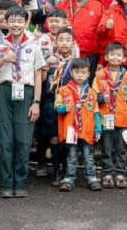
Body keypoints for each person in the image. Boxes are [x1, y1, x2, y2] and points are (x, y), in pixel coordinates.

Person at [0, 6, 45, 198]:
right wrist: (3, 60)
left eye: (20, 21)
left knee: (24, 140)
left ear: (26, 23)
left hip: (25, 93)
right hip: (4, 91)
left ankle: (21, 182)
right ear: (5, 23)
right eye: (12, 21)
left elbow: (38, 76)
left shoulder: (33, 48)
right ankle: (6, 183)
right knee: (5, 139)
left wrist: (36, 102)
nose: (16, 25)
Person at [93, 42, 127, 189]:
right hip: (105, 118)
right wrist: (100, 98)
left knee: (120, 148)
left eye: (119, 55)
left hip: (122, 118)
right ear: (106, 57)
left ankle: (120, 173)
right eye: (112, 54)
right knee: (106, 148)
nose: (115, 57)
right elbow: (92, 97)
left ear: (124, 58)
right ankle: (106, 173)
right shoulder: (99, 75)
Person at [55, 58, 102, 191]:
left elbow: (96, 112)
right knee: (72, 155)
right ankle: (69, 178)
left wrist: (98, 129)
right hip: (72, 129)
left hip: (87, 129)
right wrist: (64, 108)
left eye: (83, 72)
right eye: (77, 72)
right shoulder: (64, 90)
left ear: (88, 74)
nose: (80, 75)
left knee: (88, 155)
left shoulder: (92, 93)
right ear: (71, 72)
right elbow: (57, 106)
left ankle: (92, 177)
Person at [43, 27, 77, 187]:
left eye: (67, 40)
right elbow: (42, 79)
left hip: (70, 103)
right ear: (55, 42)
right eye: (61, 40)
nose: (64, 43)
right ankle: (56, 171)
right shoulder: (49, 60)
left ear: (73, 43)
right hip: (51, 102)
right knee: (54, 137)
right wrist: (44, 65)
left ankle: (67, 170)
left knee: (67, 137)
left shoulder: (76, 62)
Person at [56, 0, 105, 74]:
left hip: (89, 57)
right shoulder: (61, 6)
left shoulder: (98, 7)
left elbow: (104, 36)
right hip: (63, 56)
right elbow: (49, 27)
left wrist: (101, 61)